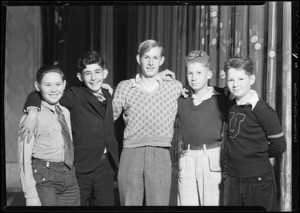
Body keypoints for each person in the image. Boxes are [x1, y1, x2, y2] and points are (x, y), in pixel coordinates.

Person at [19, 51, 119, 206]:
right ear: (80, 77)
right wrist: (32, 110)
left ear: (105, 73)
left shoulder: (109, 94)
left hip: (105, 166)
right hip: (81, 167)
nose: (93, 78)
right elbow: (46, 93)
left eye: (97, 72)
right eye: (88, 73)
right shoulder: (74, 95)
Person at [112, 39, 183, 206]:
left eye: (155, 58)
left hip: (160, 153)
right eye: (146, 57)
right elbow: (109, 117)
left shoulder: (174, 87)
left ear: (162, 60)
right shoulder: (125, 87)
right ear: (139, 59)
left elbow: (197, 96)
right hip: (131, 153)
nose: (151, 63)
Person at [222, 56, 286, 211]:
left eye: (241, 79)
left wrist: (255, 155)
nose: (235, 84)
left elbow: (279, 146)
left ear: (252, 79)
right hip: (232, 178)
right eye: (231, 80)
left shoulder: (263, 111)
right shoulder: (230, 106)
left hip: (259, 179)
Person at [18, 65, 80, 206]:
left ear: (64, 85)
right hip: (44, 176)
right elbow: (24, 158)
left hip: (69, 174)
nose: (54, 89)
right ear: (38, 86)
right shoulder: (31, 118)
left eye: (58, 84)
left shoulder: (65, 112)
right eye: (48, 85)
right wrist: (30, 194)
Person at [175, 50, 228, 206]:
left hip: (211, 158)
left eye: (199, 72)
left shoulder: (222, 98)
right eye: (190, 73)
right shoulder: (181, 99)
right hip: (187, 158)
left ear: (209, 74)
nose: (194, 77)